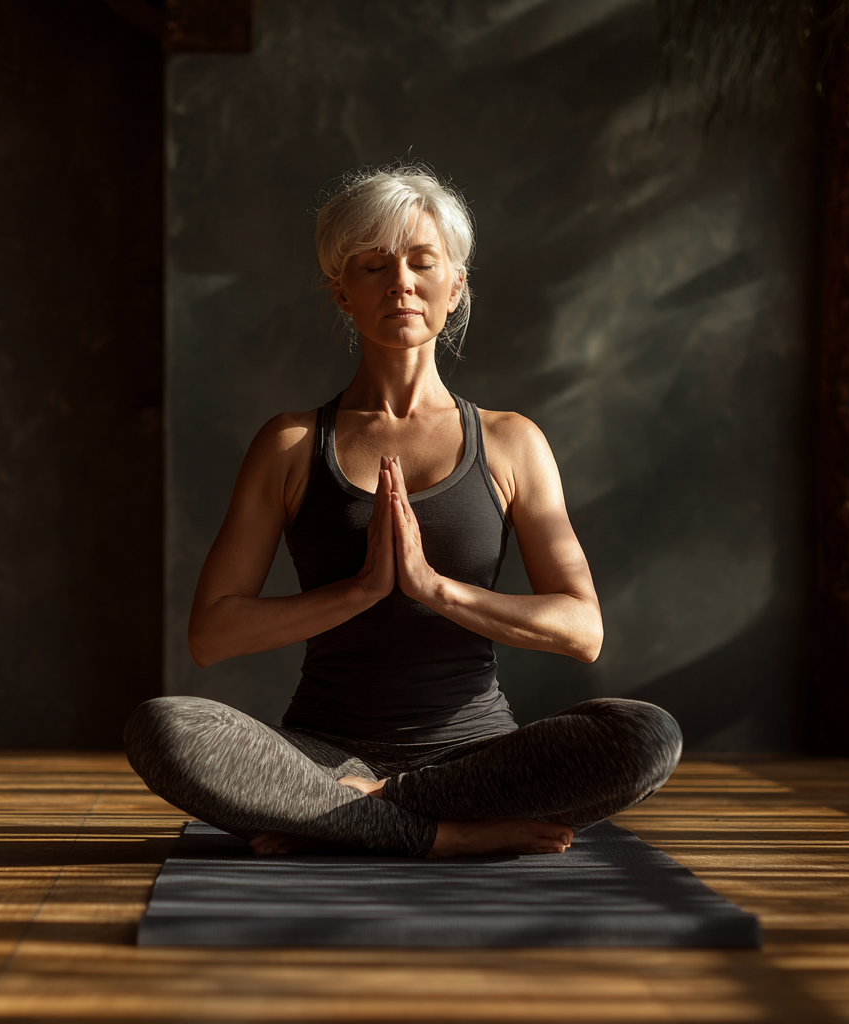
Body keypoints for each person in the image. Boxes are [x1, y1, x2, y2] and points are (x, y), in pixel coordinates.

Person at [125, 164, 682, 858]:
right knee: (165, 726)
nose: (401, 282)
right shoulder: (292, 444)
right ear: (342, 293)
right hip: (322, 755)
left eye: (423, 262)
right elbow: (212, 634)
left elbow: (582, 628)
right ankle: (438, 836)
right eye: (372, 266)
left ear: (456, 285)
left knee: (647, 735)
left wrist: (432, 588)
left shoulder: (512, 442)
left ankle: (353, 819)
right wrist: (360, 591)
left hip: (476, 760)